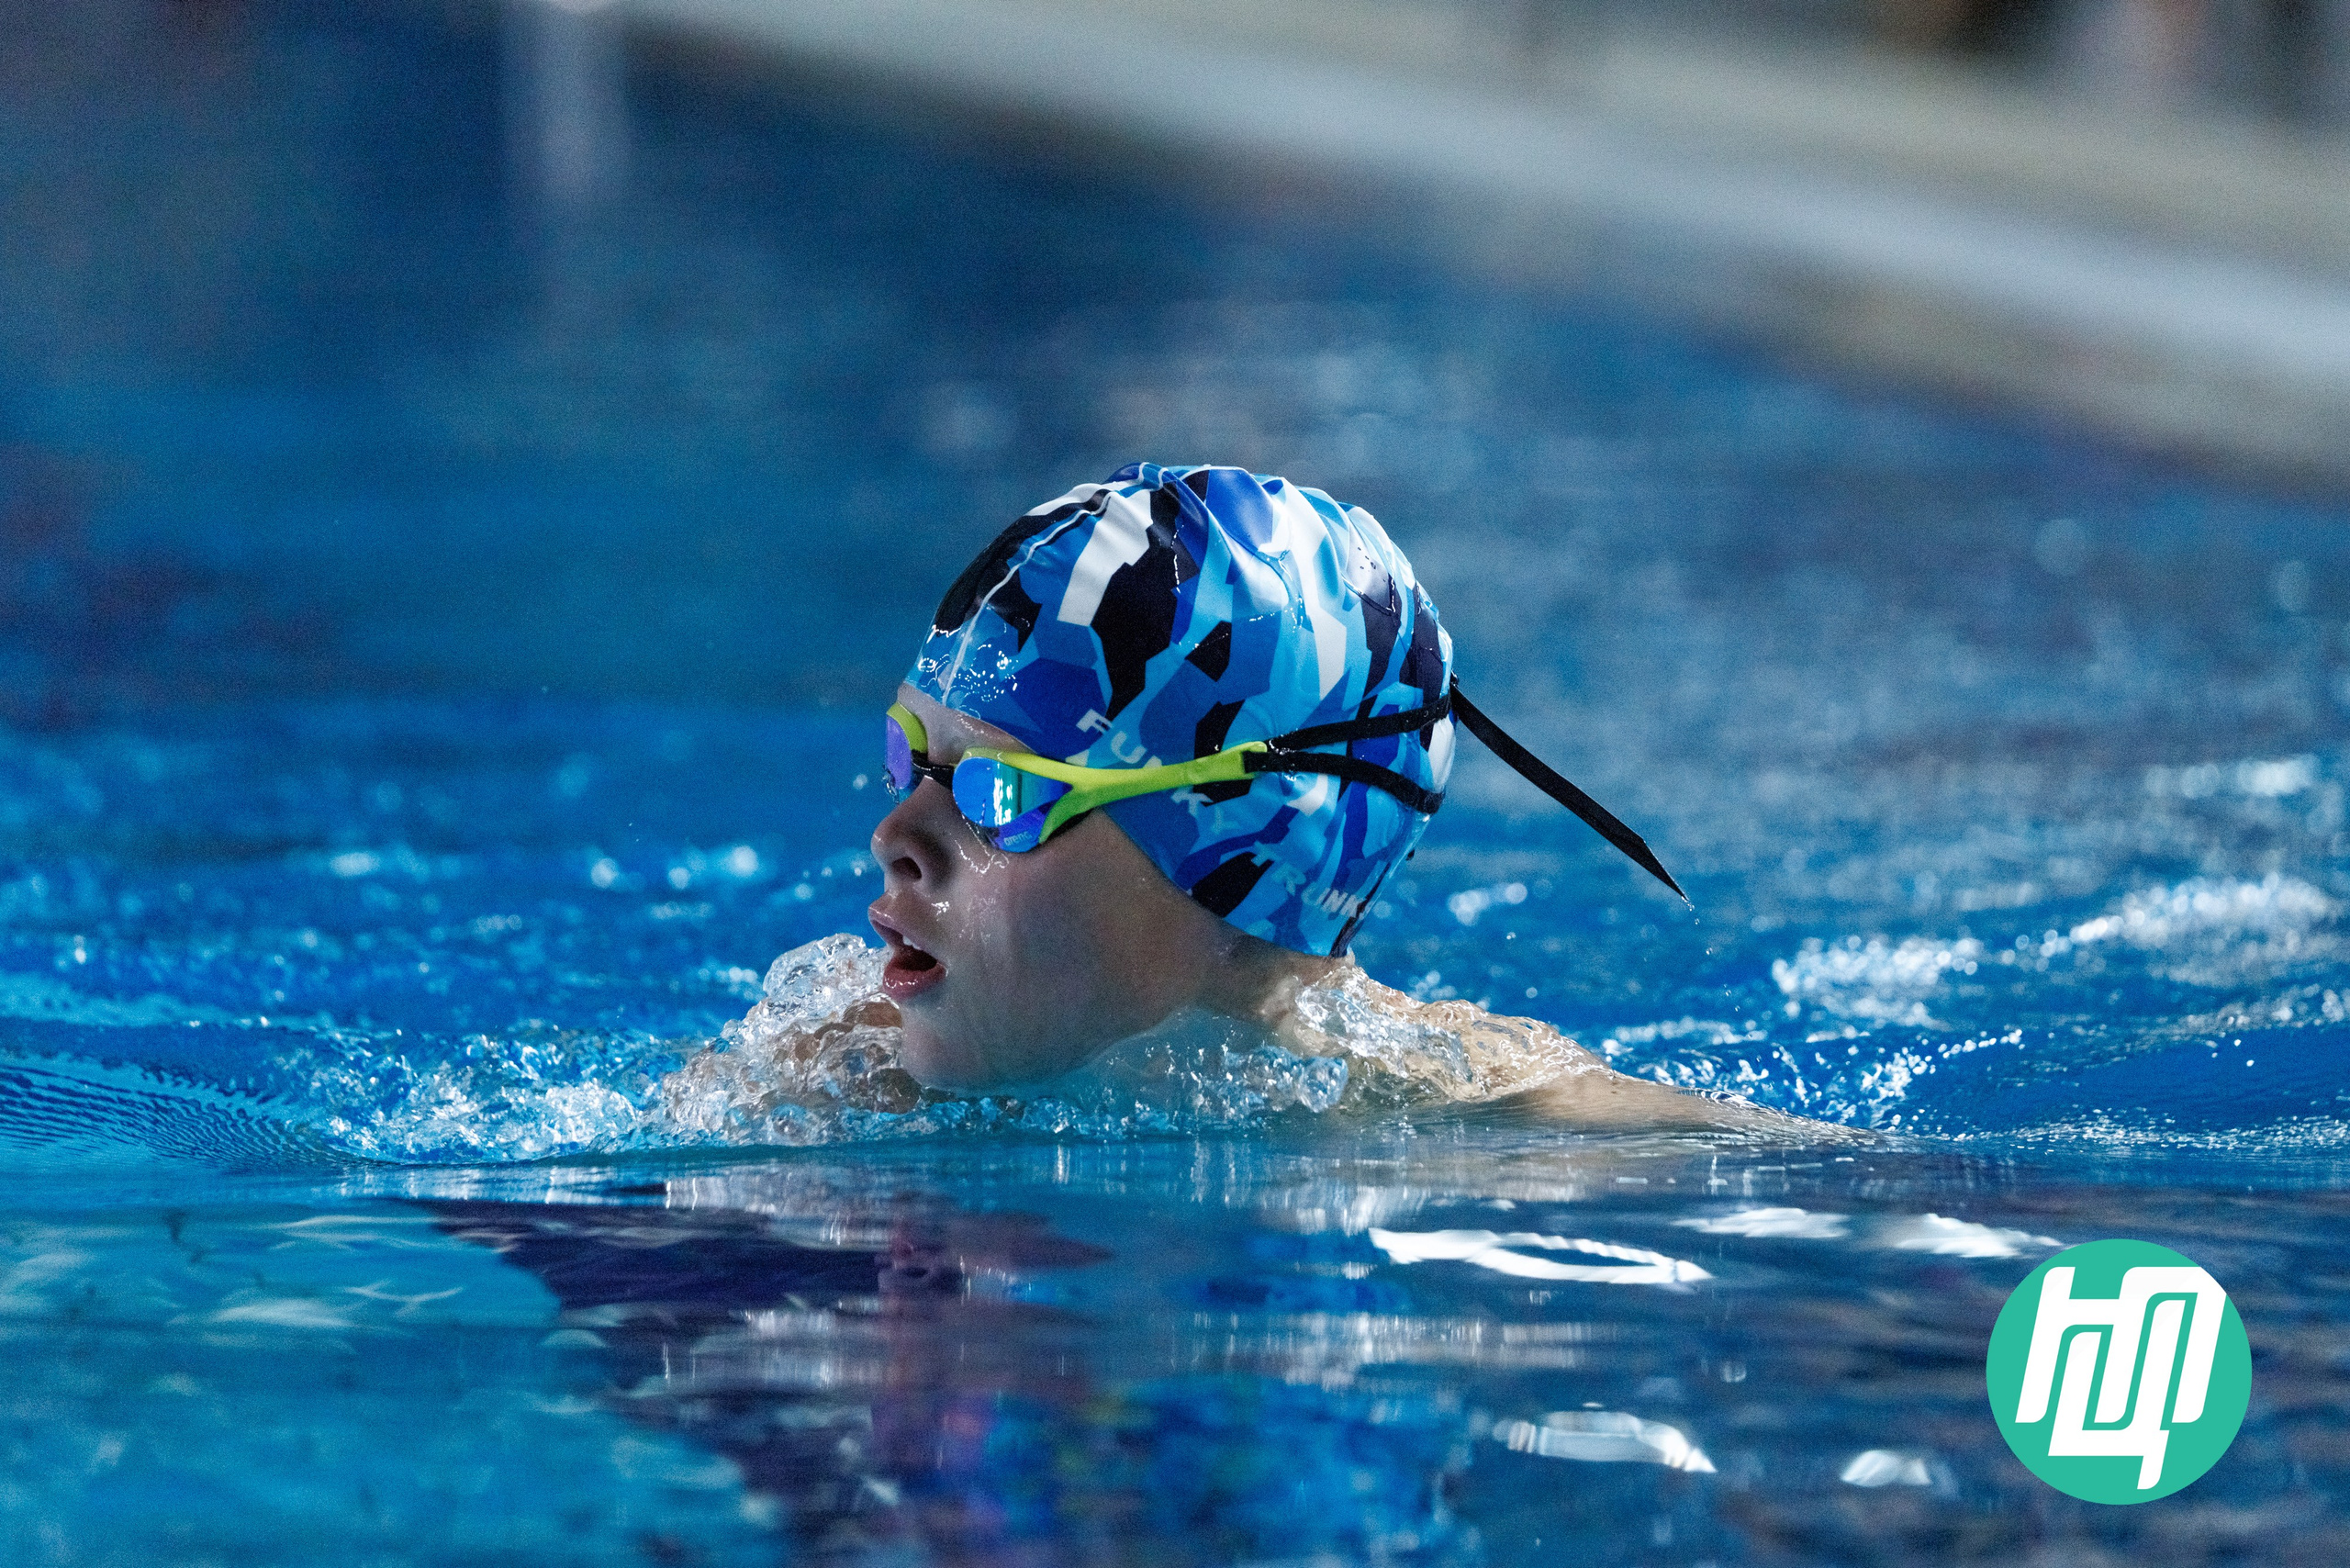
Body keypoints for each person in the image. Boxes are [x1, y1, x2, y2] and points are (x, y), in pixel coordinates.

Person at [845, 462, 1813, 1134]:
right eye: (908, 757)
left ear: (1252, 850)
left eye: (1002, 791)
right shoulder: (831, 1083)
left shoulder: (1492, 1126)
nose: (897, 833)